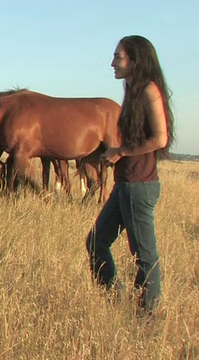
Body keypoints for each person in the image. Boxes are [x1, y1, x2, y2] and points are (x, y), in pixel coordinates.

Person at [86, 35, 175, 315]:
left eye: (118, 57)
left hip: (139, 185)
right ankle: (115, 301)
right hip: (126, 184)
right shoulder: (133, 89)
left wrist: (121, 151)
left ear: (135, 60)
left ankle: (146, 318)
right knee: (96, 242)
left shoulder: (149, 89)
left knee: (145, 257)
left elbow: (160, 138)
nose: (112, 63)